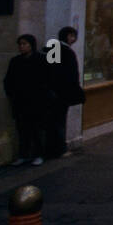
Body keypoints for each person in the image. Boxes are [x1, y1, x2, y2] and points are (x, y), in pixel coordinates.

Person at [3, 34, 55, 166]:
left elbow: (49, 79)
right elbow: (9, 80)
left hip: (37, 100)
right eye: (20, 44)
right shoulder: (15, 61)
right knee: (22, 129)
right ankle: (23, 154)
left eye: (25, 44)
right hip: (20, 100)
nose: (22, 47)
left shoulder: (42, 59)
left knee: (37, 129)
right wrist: (11, 93)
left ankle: (39, 154)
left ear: (31, 45)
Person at [45, 26, 85, 159]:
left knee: (56, 120)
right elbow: (52, 72)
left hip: (57, 92)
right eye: (72, 36)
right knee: (58, 121)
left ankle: (54, 148)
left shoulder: (57, 48)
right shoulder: (59, 49)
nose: (73, 39)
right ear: (66, 36)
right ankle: (59, 149)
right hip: (59, 92)